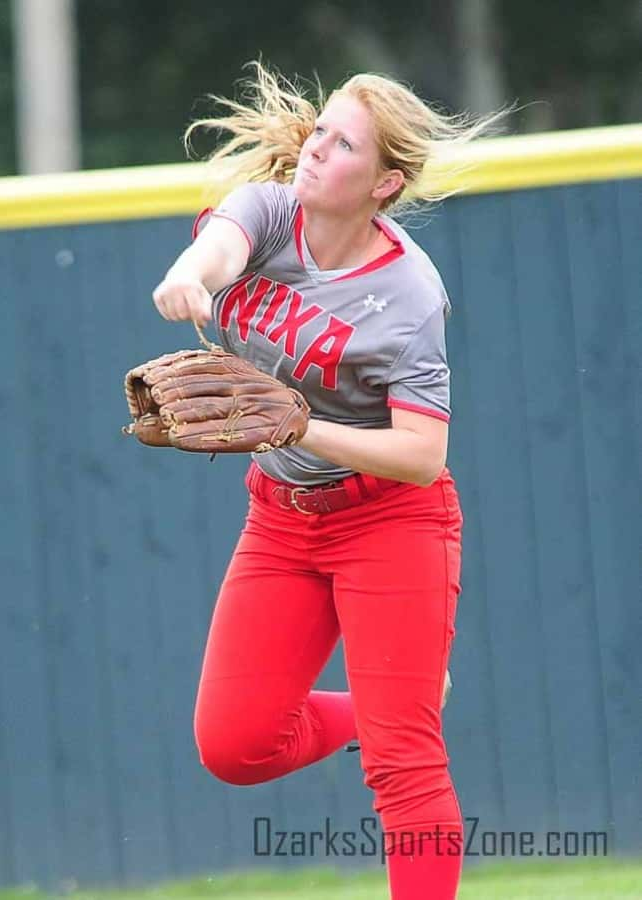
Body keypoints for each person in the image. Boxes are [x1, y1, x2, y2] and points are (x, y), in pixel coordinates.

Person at [152, 62, 506, 900]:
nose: (314, 149)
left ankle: (398, 717)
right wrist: (192, 277)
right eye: (318, 130)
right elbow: (220, 244)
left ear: (384, 181)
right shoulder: (272, 211)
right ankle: (394, 704)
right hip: (280, 519)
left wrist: (300, 424)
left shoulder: (407, 292)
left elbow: (423, 455)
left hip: (391, 522)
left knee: (403, 764)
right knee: (234, 746)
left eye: (341, 143)